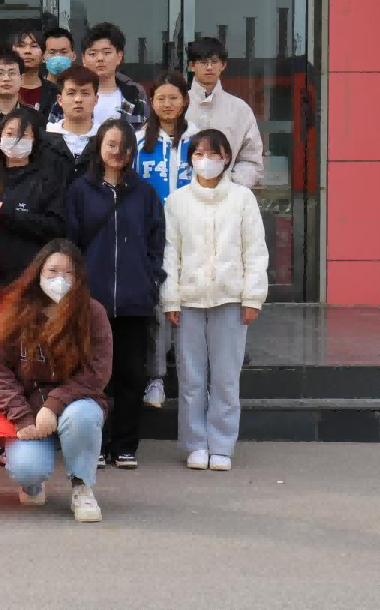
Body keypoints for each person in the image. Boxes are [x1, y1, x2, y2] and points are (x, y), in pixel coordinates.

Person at [162, 129, 268, 472]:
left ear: (226, 159)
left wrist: (252, 296)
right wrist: (170, 299)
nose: (206, 161)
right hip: (189, 301)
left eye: (214, 154)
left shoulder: (242, 199)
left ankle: (221, 444)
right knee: (191, 378)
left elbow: (255, 251)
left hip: (230, 299)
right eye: (199, 154)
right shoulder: (177, 201)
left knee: (225, 378)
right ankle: (195, 443)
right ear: (190, 159)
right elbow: (170, 255)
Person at [0, 239, 111, 523]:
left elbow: (97, 372)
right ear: (38, 273)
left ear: (78, 277)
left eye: (68, 273)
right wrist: (21, 416)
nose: (60, 279)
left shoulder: (93, 313)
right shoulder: (16, 312)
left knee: (82, 416)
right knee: (26, 468)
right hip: (29, 412)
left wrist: (53, 405)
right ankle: (32, 484)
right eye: (52, 271)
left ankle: (82, 486)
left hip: (77, 404)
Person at [66, 119, 165, 470]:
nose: (117, 152)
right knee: (92, 376)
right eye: (111, 144)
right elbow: (71, 243)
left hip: (135, 301)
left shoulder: (145, 193)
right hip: (92, 301)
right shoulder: (80, 191)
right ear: (99, 147)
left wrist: (151, 280)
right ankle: (93, 443)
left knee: (131, 375)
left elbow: (156, 243)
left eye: (124, 146)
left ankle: (124, 446)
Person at [135, 73, 198, 409]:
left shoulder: (199, 140)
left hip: (193, 233)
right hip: (152, 234)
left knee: (189, 306)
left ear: (185, 100)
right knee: (159, 307)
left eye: (174, 97)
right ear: (151, 102)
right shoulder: (137, 141)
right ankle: (156, 378)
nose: (167, 104)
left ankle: (193, 379)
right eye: (160, 98)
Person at [0, 108, 66, 295]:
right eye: (10, 134)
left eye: (24, 135)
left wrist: (10, 214)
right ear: (0, 136)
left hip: (29, 280)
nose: (15, 140)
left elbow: (56, 228)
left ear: (35, 141)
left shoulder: (47, 181)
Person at [185, 36, 264, 189]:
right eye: (203, 62)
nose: (209, 67)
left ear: (223, 65)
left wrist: (232, 187)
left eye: (214, 62)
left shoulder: (240, 109)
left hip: (227, 196)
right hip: (185, 193)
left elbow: (251, 158)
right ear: (192, 66)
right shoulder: (178, 105)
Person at [80, 22, 148, 130]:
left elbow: (144, 134)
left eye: (107, 53)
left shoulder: (134, 93)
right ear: (83, 59)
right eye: (93, 54)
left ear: (119, 56)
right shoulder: (72, 93)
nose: (100, 58)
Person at [0, 49, 47, 144]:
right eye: (0, 73)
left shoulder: (36, 118)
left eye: (12, 73)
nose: (6, 78)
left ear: (22, 78)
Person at [44, 65, 101, 184]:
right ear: (59, 100)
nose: (78, 99)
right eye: (71, 93)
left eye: (85, 93)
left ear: (96, 99)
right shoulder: (44, 137)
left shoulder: (104, 137)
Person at [13, 28, 55, 110]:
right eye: (21, 46)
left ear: (44, 55)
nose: (27, 51)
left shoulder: (54, 92)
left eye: (34, 46)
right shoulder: (0, 88)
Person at [39, 27, 78, 118]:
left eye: (63, 52)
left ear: (74, 56)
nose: (58, 57)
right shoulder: (37, 89)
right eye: (52, 52)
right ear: (43, 57)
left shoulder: (82, 88)